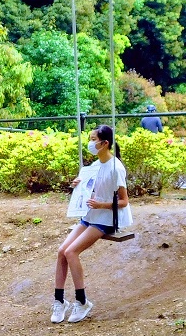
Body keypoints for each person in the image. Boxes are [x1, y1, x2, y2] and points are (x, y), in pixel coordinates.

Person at [52, 125, 132, 324]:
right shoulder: (95, 166)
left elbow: (124, 201)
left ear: (105, 143)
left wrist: (101, 204)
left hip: (106, 218)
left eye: (93, 139)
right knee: (62, 251)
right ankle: (59, 300)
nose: (90, 143)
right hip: (91, 215)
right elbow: (90, 188)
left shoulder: (116, 168)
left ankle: (82, 301)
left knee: (72, 252)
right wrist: (79, 186)